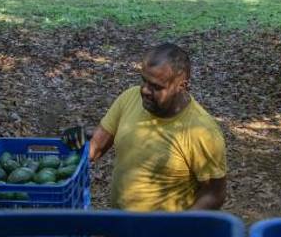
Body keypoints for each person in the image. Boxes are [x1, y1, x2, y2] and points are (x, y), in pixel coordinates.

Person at [88, 44, 228, 214]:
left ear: (181, 86)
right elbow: (96, 146)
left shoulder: (201, 131)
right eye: (144, 81)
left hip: (164, 234)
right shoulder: (129, 98)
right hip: (120, 224)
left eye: (156, 87)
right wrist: (78, 146)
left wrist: (179, 227)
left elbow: (214, 194)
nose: (145, 90)